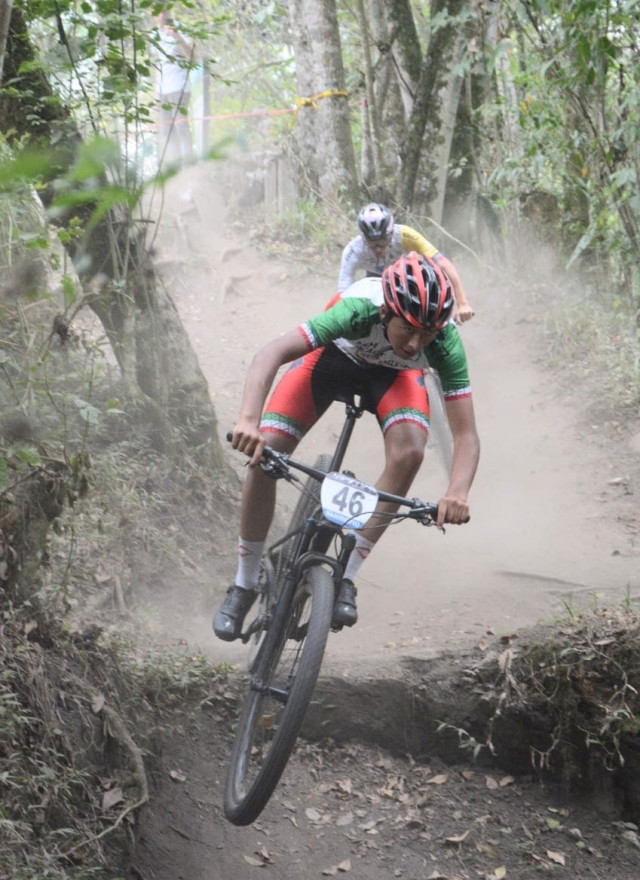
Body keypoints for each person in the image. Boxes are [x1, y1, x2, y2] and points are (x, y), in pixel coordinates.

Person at [213, 251, 480, 641]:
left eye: (428, 334)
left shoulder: (444, 342)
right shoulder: (358, 310)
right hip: (332, 358)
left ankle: (347, 576)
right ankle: (244, 583)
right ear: (388, 311)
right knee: (267, 448)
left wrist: (457, 492)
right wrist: (248, 421)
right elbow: (271, 353)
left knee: (410, 453)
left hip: (394, 380)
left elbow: (466, 434)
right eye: (408, 329)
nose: (416, 343)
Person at [338, 203, 475, 324]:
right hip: (374, 279)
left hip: (405, 274)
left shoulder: (405, 235)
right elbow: (343, 294)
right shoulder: (353, 250)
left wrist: (463, 304)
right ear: (363, 238)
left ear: (391, 234)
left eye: (382, 241)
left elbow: (444, 264)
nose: (378, 249)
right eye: (372, 243)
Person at [154, 9, 196, 167]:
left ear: (166, 11)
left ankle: (188, 164)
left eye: (160, 12)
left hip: (179, 86)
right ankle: (174, 165)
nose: (158, 16)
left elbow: (193, 57)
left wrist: (176, 36)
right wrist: (156, 94)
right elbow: (158, 64)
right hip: (163, 89)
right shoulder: (154, 34)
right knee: (166, 130)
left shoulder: (180, 28)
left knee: (181, 126)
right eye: (154, 13)